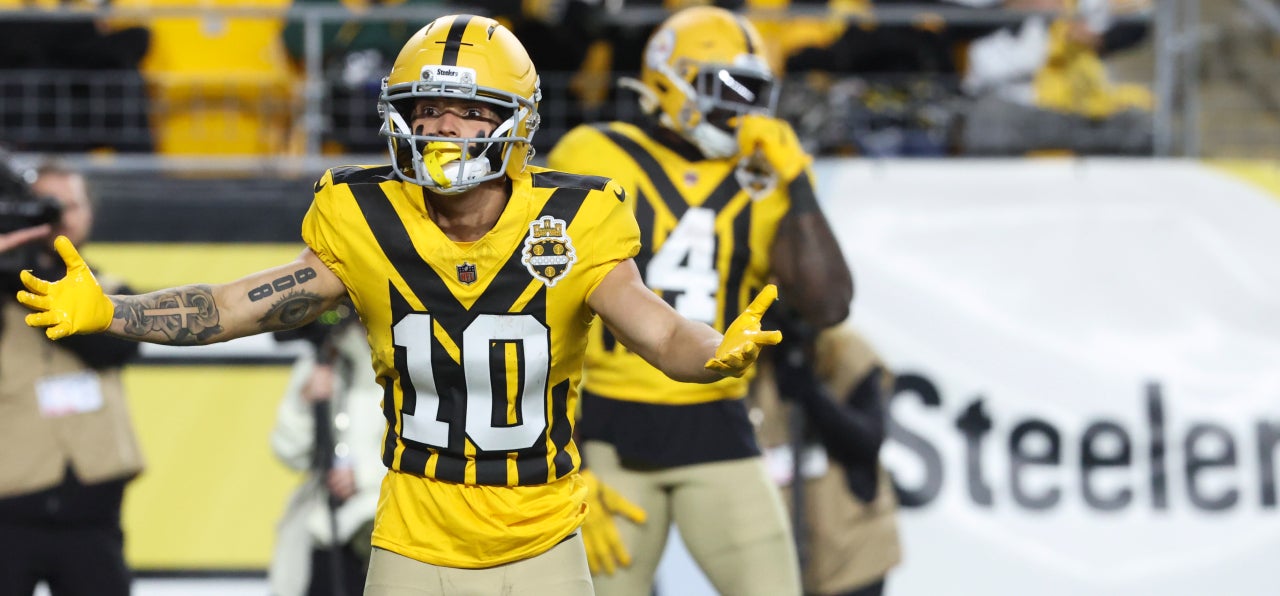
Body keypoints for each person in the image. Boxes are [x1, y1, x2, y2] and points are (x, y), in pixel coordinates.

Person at [16, 14, 782, 596]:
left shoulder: (576, 218)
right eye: (427, 109)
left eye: (468, 110)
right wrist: (113, 312)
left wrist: (713, 352)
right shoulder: (363, 217)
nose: (443, 128)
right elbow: (239, 305)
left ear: (514, 121)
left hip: (543, 544)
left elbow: (659, 329)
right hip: (414, 546)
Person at [545, 6, 854, 596]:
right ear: (669, 78)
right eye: (726, 89)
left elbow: (829, 306)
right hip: (606, 427)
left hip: (719, 427)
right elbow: (533, 305)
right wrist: (564, 458)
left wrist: (798, 182)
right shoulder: (591, 153)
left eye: (754, 91)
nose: (742, 109)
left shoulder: (761, 178)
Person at [0, 157, 144, 596]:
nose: (58, 217)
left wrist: (21, 280)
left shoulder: (112, 289)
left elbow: (113, 349)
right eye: (47, 205)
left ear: (90, 214)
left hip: (92, 506)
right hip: (8, 507)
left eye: (70, 205)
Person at [750, 312, 902, 596]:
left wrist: (811, 394)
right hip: (779, 547)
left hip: (852, 550)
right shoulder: (751, 355)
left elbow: (867, 440)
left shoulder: (846, 350)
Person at [268, 304, 382, 596]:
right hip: (327, 529)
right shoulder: (319, 363)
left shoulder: (397, 364)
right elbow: (288, 451)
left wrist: (363, 476)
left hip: (382, 524)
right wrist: (306, 402)